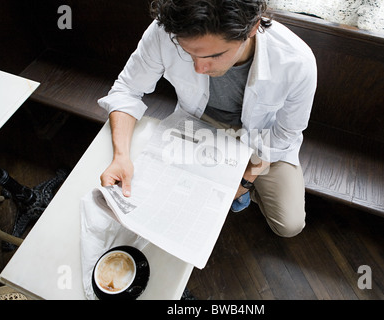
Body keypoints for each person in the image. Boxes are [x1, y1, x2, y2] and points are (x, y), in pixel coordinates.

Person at [98, 0, 317, 238]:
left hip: (262, 136)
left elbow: (284, 135)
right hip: (198, 121)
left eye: (214, 55)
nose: (200, 68)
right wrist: (120, 157)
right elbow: (127, 90)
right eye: (188, 52)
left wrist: (243, 183)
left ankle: (242, 188)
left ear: (252, 28)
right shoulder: (165, 31)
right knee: (164, 206)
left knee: (289, 225)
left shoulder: (297, 62)